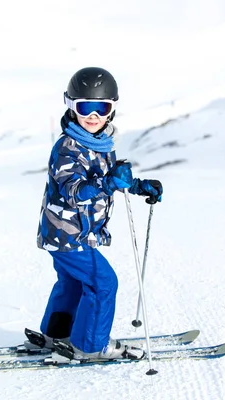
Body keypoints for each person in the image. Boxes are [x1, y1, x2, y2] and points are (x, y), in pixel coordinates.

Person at [36, 67, 163, 360]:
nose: (93, 115)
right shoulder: (67, 149)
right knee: (102, 282)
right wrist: (107, 183)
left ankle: (55, 333)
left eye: (101, 107)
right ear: (71, 107)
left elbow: (110, 177)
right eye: (85, 107)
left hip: (72, 233)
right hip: (67, 232)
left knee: (71, 283)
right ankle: (91, 345)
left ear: (112, 109)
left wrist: (139, 186)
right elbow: (75, 191)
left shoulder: (102, 144)